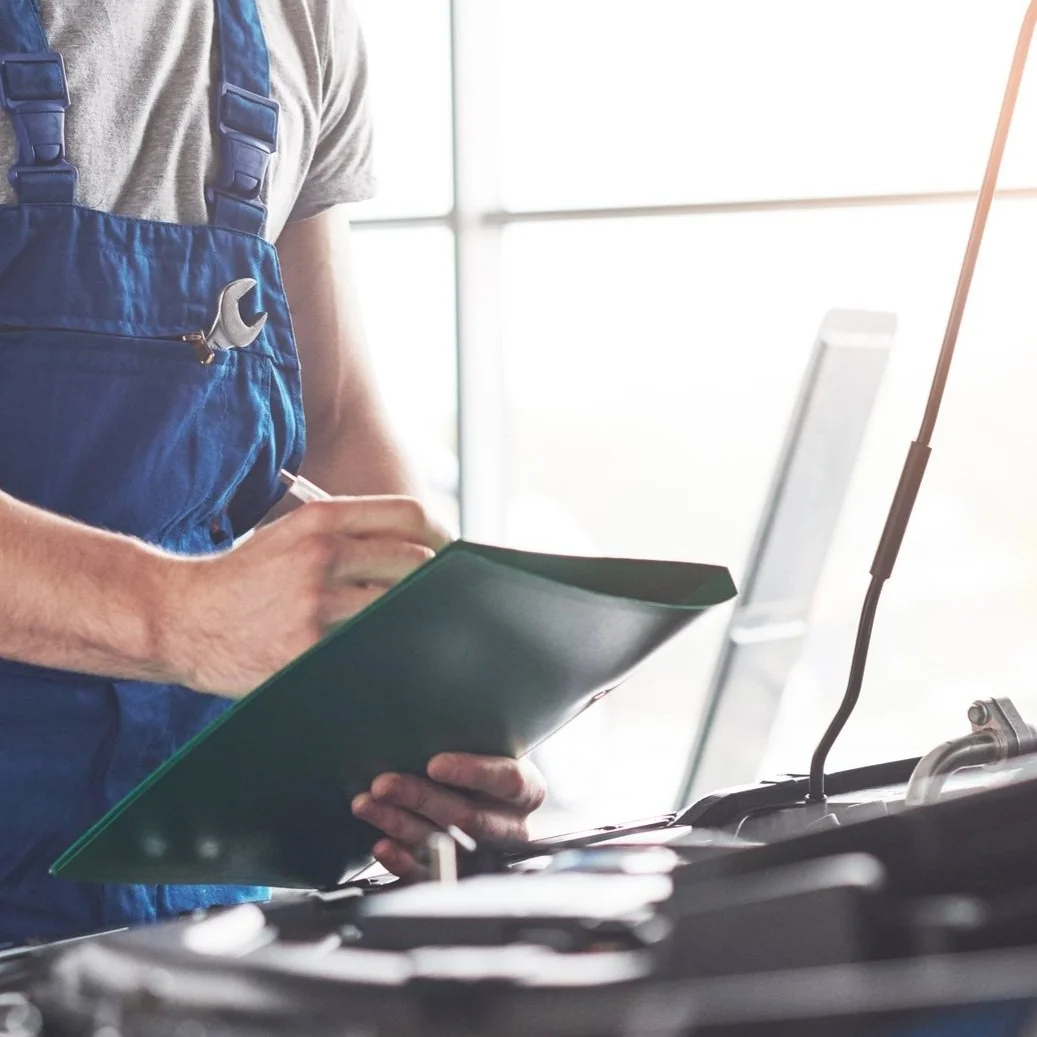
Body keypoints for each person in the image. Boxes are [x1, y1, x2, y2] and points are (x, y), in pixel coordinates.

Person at [0, 0, 545, 945]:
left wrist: (424, 722)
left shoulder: (300, 22)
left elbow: (333, 421)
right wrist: (176, 615)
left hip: (189, 891)